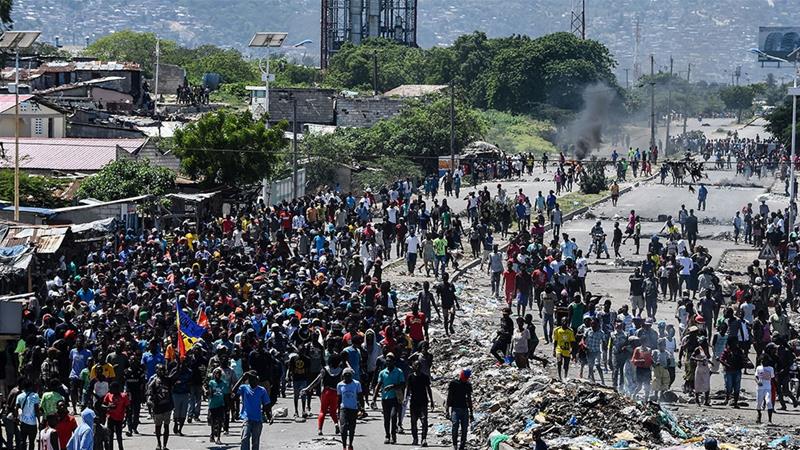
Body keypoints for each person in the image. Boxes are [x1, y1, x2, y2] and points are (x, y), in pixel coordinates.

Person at [232, 371, 271, 450]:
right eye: (252, 379)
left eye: (256, 379)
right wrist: (242, 377)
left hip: (257, 419)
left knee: (255, 442)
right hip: (247, 418)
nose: (255, 381)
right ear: (249, 380)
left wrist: (269, 416)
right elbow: (233, 391)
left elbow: (266, 404)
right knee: (244, 438)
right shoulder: (244, 388)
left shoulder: (262, 390)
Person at [371, 353, 405, 445]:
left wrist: (393, 386)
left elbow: (402, 384)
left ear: (394, 362)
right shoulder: (382, 372)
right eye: (387, 361)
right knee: (386, 419)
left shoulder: (399, 371)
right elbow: (379, 384)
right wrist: (374, 397)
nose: (388, 362)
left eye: (390, 361)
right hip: (385, 398)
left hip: (395, 398)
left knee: (393, 416)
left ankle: (393, 435)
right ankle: (387, 435)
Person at [405, 360, 433, 447]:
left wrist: (431, 401)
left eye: (419, 365)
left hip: (423, 402)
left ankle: (423, 439)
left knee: (424, 421)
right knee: (413, 422)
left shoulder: (425, 377)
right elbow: (408, 388)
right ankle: (415, 438)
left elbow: (428, 388)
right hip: (414, 402)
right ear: (413, 367)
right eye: (416, 365)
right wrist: (405, 398)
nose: (417, 367)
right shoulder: (410, 377)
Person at [145, 364, 172, 450]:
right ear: (156, 371)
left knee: (166, 426)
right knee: (158, 426)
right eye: (160, 370)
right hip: (157, 407)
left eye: (163, 370)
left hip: (167, 406)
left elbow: (176, 375)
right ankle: (159, 443)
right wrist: (149, 401)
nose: (161, 372)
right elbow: (149, 392)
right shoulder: (154, 381)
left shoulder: (168, 380)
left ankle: (165, 445)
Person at [445, 369, 473, 450]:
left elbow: (469, 399)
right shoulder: (453, 383)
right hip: (455, 409)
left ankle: (462, 446)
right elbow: (449, 397)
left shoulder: (468, 385)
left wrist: (471, 412)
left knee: (464, 429)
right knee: (455, 426)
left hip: (465, 409)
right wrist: (447, 410)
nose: (466, 378)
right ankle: (454, 445)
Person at [336, 368, 362, 450]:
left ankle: (350, 444)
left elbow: (360, 396)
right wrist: (338, 409)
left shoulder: (356, 384)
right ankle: (344, 446)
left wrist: (362, 408)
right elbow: (339, 398)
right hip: (344, 408)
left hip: (353, 408)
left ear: (352, 376)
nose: (347, 377)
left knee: (351, 428)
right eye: (345, 375)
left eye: (349, 375)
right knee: (343, 428)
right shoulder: (340, 385)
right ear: (343, 376)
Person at [102, 382, 129, 450]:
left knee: (119, 435)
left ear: (116, 389)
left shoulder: (124, 396)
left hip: (119, 419)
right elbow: (102, 405)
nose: (110, 389)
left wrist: (125, 419)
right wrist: (108, 406)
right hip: (111, 418)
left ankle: (121, 448)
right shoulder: (108, 395)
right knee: (110, 436)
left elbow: (128, 409)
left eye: (111, 388)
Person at [15, 379, 40, 450]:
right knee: (31, 442)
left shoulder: (19, 396)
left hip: (23, 423)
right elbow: (37, 410)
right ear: (31, 387)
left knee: (23, 441)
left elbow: (16, 409)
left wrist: (17, 419)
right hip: (32, 424)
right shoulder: (35, 396)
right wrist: (39, 421)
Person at [206, 368, 227, 444]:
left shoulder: (223, 383)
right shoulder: (211, 382)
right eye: (216, 374)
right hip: (212, 405)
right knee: (213, 421)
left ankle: (218, 437)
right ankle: (212, 435)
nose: (217, 375)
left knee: (220, 421)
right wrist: (208, 392)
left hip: (220, 404)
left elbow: (225, 393)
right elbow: (210, 392)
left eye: (218, 374)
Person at [755, 358, 775, 423]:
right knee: (758, 403)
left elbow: (772, 378)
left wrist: (776, 387)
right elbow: (755, 377)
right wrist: (758, 382)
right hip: (760, 388)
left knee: (769, 402)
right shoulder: (759, 368)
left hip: (768, 388)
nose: (763, 362)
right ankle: (759, 414)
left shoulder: (771, 369)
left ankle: (770, 420)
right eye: (762, 361)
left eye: (764, 361)